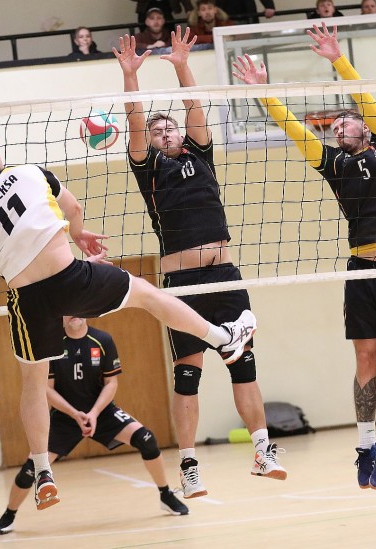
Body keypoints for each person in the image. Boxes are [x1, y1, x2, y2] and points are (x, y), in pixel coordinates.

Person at [0, 125, 257, 511]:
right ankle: (222, 338)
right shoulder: (29, 172)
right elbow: (73, 209)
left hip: (26, 300)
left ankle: (43, 472)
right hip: (71, 279)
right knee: (147, 294)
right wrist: (77, 235)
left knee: (33, 383)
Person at [234, 24, 376, 490]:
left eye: (345, 121)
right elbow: (294, 128)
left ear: (364, 127)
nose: (337, 126)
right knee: (366, 359)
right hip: (362, 269)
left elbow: (365, 98)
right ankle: (364, 445)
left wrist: (338, 59)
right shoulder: (332, 162)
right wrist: (263, 93)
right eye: (333, 125)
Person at [114, 29, 286, 499]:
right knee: (188, 376)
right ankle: (189, 466)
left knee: (243, 364)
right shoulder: (148, 167)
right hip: (183, 282)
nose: (164, 133)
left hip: (224, 275)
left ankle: (263, 451)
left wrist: (181, 65)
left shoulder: (200, 152)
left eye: (168, 128)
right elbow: (134, 120)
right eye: (157, 131)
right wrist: (131, 76)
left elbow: (194, 106)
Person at [0, 316, 188, 535]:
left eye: (78, 308)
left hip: (101, 412)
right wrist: (75, 414)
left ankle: (166, 494)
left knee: (146, 439)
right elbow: (46, 389)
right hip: (65, 417)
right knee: (32, 468)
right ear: (61, 316)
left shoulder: (102, 340)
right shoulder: (52, 345)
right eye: (68, 311)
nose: (74, 313)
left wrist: (94, 413)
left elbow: (111, 383)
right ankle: (9, 514)